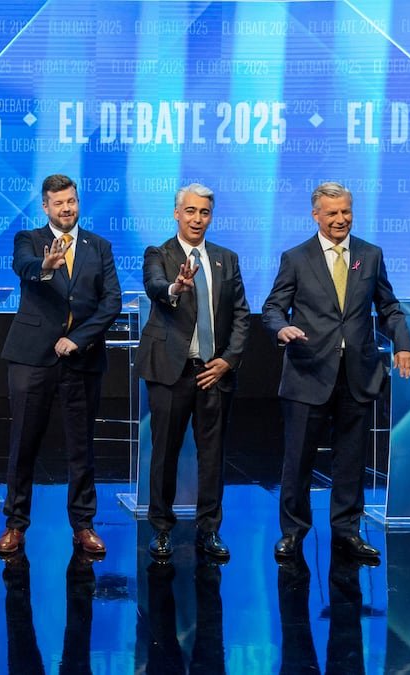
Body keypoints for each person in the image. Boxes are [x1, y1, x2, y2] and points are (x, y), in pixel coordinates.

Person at [262, 181, 410, 565]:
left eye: (346, 211)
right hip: (308, 372)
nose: (340, 219)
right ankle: (293, 533)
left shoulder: (370, 255)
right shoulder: (296, 258)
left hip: (357, 374)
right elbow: (273, 308)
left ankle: (347, 532)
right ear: (315, 215)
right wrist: (282, 328)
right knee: (298, 460)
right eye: (332, 213)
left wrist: (403, 344)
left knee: (350, 460)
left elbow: (389, 307)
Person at [0, 174, 122, 558]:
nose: (66, 208)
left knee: (81, 447)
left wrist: (79, 339)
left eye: (71, 201)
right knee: (23, 444)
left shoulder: (98, 246)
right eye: (58, 203)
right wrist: (46, 265)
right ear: (45, 207)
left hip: (81, 359)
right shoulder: (28, 240)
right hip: (32, 358)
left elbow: (111, 302)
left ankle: (83, 524)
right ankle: (15, 524)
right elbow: (24, 266)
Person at [137, 184, 250, 563]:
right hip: (171, 370)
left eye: (204, 212)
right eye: (190, 211)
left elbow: (240, 315)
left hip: (214, 371)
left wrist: (228, 360)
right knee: (164, 453)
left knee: (213, 455)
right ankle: (161, 528)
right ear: (176, 213)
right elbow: (155, 286)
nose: (197, 219)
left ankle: (209, 529)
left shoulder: (226, 259)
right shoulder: (159, 254)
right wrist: (176, 286)